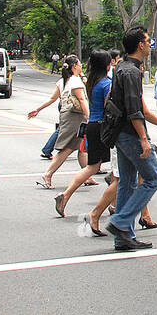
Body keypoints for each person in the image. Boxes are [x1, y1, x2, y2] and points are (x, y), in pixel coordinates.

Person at [101, 27, 157, 250]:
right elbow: (134, 110)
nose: (150, 44)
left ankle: (124, 237)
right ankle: (120, 222)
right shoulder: (131, 73)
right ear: (140, 45)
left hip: (120, 133)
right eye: (148, 41)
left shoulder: (122, 68)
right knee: (154, 179)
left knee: (126, 182)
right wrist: (144, 139)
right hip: (129, 134)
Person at [56, 51, 115, 219]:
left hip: (92, 126)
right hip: (103, 127)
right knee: (111, 168)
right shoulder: (106, 84)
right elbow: (108, 107)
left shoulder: (91, 81)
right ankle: (113, 205)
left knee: (95, 167)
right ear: (107, 65)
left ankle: (66, 196)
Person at [29, 55, 88, 190]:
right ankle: (48, 174)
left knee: (78, 147)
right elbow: (82, 100)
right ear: (74, 67)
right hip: (74, 117)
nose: (81, 67)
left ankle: (86, 176)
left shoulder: (63, 81)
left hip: (67, 116)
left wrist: (37, 109)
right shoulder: (75, 81)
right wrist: (88, 117)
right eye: (79, 65)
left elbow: (52, 99)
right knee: (66, 148)